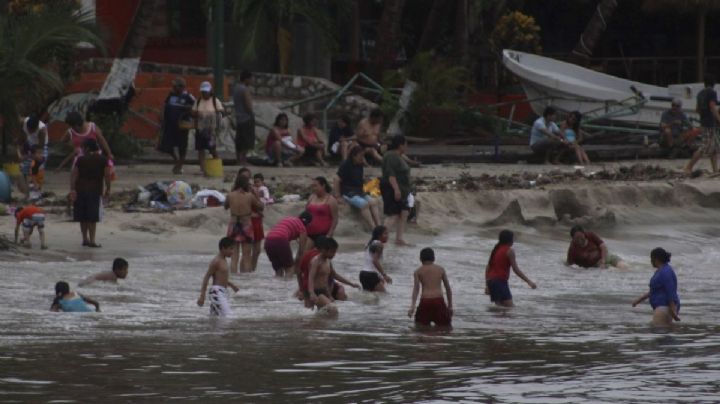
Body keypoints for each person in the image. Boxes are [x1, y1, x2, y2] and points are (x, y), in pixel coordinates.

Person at [70, 139, 111, 248]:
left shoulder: (80, 160)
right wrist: (108, 189)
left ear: (87, 148)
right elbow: (107, 176)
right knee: (92, 217)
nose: (82, 149)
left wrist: (72, 189)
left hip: (80, 189)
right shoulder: (103, 160)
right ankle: (92, 240)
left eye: (83, 147)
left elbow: (74, 175)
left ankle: (85, 239)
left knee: (82, 216)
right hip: (95, 190)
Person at [484, 230, 537, 307]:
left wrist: (487, 285)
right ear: (510, 240)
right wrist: (529, 281)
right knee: (510, 309)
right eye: (513, 239)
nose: (513, 241)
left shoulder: (496, 250)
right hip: (500, 282)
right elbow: (515, 269)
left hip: (491, 282)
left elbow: (487, 268)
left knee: (499, 310)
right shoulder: (509, 251)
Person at [334, 146, 381, 229]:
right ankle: (373, 228)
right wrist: (337, 196)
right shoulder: (346, 165)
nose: (362, 158)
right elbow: (336, 179)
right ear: (354, 156)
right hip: (348, 192)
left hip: (359, 190)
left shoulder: (360, 165)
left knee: (374, 202)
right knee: (364, 204)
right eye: (360, 156)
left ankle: (379, 226)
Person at [306, 237, 359, 311]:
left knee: (325, 315)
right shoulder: (316, 261)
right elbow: (310, 277)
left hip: (325, 291)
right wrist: (311, 293)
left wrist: (351, 284)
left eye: (335, 252)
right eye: (332, 252)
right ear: (324, 250)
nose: (334, 254)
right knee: (333, 309)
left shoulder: (328, 261)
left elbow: (335, 275)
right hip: (316, 292)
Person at [632, 247, 681, 327]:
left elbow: (670, 291)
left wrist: (673, 311)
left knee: (658, 332)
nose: (650, 261)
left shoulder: (665, 272)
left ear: (656, 259)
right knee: (660, 330)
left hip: (664, 307)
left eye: (651, 258)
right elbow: (653, 291)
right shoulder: (661, 271)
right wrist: (638, 300)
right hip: (662, 307)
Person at [225, 174, 264, 273]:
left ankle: (233, 277)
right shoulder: (249, 196)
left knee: (234, 256)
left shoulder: (230, 195)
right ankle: (246, 282)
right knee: (246, 256)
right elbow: (261, 207)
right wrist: (256, 194)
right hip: (246, 224)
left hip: (233, 224)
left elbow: (225, 206)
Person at [158, 77, 195, 174]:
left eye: (175, 86)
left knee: (182, 146)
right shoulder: (171, 95)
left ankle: (179, 165)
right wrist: (162, 115)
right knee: (166, 146)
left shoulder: (188, 96)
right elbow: (165, 105)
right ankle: (176, 160)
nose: (173, 87)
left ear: (181, 87)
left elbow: (195, 107)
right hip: (170, 125)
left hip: (181, 125)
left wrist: (188, 110)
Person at [408, 248, 453, 327]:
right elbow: (448, 288)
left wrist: (412, 306)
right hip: (439, 300)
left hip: (425, 301)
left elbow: (416, 289)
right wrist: (450, 306)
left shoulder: (418, 271)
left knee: (420, 327)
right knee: (445, 327)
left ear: (420, 258)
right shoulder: (440, 269)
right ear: (434, 258)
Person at [381, 135, 411, 245]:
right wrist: (396, 190)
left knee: (404, 212)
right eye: (405, 144)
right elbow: (391, 175)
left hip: (403, 189)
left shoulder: (398, 155)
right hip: (391, 188)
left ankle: (399, 238)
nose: (407, 146)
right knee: (393, 214)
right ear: (400, 145)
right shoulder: (391, 156)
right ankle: (378, 238)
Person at [197, 237, 239, 317]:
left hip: (222, 292)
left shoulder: (224, 260)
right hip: (216, 292)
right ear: (223, 248)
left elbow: (221, 277)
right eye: (231, 249)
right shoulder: (216, 261)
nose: (232, 252)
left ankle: (213, 329)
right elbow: (206, 277)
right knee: (229, 316)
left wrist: (232, 285)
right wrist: (202, 296)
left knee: (215, 318)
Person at [686, 76, 720, 173]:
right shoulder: (712, 92)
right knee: (705, 147)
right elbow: (712, 107)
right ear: (714, 84)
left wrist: (704, 116)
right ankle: (689, 167)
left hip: (704, 121)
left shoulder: (700, 94)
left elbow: (697, 109)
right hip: (710, 123)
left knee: (715, 148)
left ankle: (715, 169)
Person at [264, 211, 313, 277]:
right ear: (308, 224)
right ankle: (286, 287)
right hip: (281, 240)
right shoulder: (302, 228)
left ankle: (276, 286)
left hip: (268, 240)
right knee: (289, 269)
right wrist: (295, 267)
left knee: (278, 270)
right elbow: (301, 252)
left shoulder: (287, 219)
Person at [192, 81, 223, 176]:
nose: (205, 93)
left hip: (211, 130)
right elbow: (193, 112)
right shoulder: (198, 101)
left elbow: (221, 111)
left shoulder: (215, 101)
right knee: (201, 149)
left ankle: (216, 166)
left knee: (212, 148)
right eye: (203, 91)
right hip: (200, 129)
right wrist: (198, 114)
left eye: (206, 91)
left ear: (210, 91)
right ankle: (202, 169)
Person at [15, 115, 49, 198]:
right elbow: (20, 138)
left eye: (31, 130)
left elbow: (38, 152)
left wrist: (26, 156)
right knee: (23, 169)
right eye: (28, 129)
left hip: (40, 147)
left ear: (36, 128)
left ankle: (36, 190)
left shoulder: (42, 130)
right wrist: (19, 151)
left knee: (36, 167)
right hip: (29, 144)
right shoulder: (23, 122)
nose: (29, 132)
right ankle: (27, 193)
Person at [304, 176, 339, 250]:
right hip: (309, 234)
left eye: (316, 186)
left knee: (322, 258)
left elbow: (335, 219)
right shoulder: (311, 197)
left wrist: (329, 235)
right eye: (313, 186)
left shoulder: (331, 200)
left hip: (323, 235)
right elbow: (305, 215)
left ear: (323, 186)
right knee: (302, 256)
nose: (314, 188)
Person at [359, 225, 392, 292]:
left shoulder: (369, 244)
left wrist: (379, 276)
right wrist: (384, 275)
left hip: (363, 274)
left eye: (387, 233)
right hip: (371, 275)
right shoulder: (379, 244)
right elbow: (375, 260)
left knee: (369, 298)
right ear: (379, 235)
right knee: (383, 296)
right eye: (385, 233)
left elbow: (370, 261)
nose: (387, 236)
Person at [233, 70, 255, 165]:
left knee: (239, 140)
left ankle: (238, 159)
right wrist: (251, 114)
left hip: (238, 117)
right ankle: (243, 160)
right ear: (246, 79)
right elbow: (248, 105)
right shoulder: (245, 89)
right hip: (246, 118)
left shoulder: (236, 88)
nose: (252, 80)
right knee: (246, 140)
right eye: (251, 78)